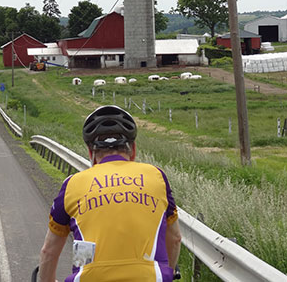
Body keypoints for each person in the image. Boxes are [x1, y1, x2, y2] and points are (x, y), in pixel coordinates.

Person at [39, 105, 182, 282]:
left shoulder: (72, 184)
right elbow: (175, 238)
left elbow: (49, 252)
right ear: (133, 150)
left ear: (91, 153)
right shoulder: (156, 176)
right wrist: (169, 272)